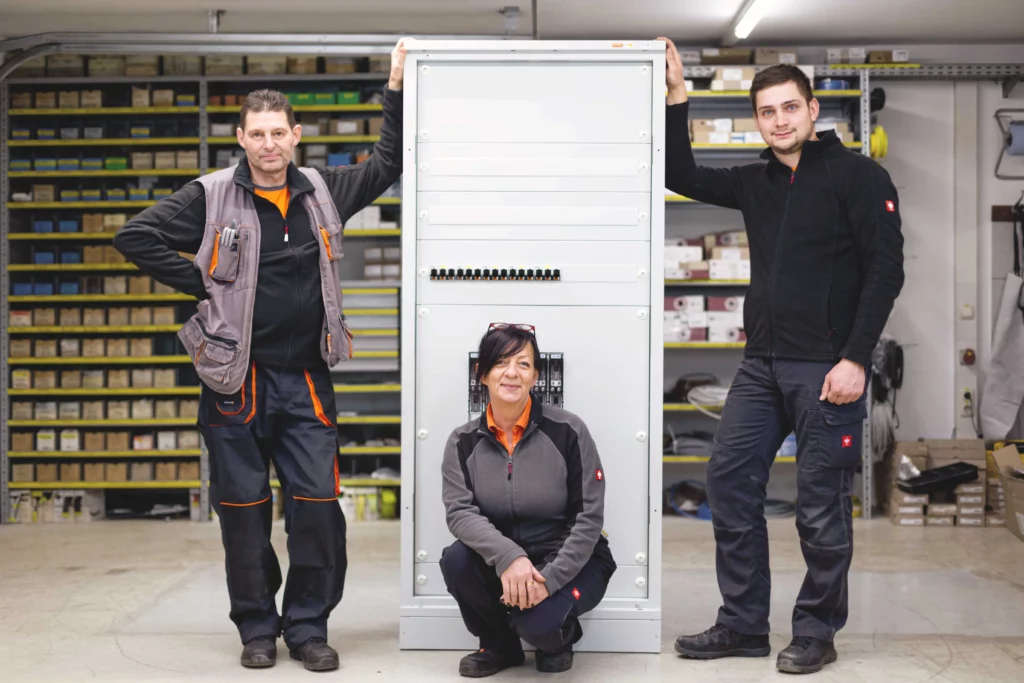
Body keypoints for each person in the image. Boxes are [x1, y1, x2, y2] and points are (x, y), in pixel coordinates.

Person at [112, 39, 409, 672]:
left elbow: (390, 160)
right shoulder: (211, 195)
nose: (269, 144)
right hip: (233, 381)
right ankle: (256, 628)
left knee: (318, 510)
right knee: (243, 513)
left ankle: (307, 628)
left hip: (305, 378)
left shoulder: (326, 191)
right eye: (257, 134)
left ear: (296, 135)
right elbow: (133, 235)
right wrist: (201, 279)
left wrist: (396, 85)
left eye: (279, 132)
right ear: (241, 139)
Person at [659, 38, 905, 675]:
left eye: (790, 107)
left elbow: (885, 272)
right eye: (767, 112)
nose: (780, 121)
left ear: (813, 108)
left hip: (828, 368)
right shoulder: (757, 180)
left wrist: (856, 358)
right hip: (760, 365)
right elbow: (678, 175)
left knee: (821, 507)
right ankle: (743, 625)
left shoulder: (859, 177)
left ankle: (816, 632)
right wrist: (678, 96)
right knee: (729, 483)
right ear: (757, 120)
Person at [439, 324, 617, 678]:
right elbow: (460, 513)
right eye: (501, 362)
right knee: (456, 559)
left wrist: (547, 581)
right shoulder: (461, 441)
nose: (512, 373)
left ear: (536, 376)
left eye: (523, 364)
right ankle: (498, 645)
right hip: (503, 562)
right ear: (483, 374)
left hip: (572, 560)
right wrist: (510, 557)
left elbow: (588, 517)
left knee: (538, 628)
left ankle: (556, 636)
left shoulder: (569, 430)